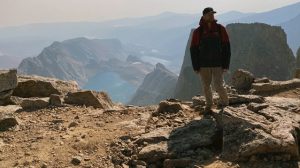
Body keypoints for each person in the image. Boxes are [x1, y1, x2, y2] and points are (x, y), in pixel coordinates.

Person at [190, 7, 231, 113]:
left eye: (212, 14)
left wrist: (226, 64)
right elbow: (193, 50)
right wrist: (196, 66)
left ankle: (225, 103)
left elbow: (226, 47)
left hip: (218, 63)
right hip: (203, 64)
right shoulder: (198, 32)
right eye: (209, 14)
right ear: (203, 16)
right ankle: (209, 105)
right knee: (206, 86)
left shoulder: (220, 29)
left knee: (219, 85)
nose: (212, 15)